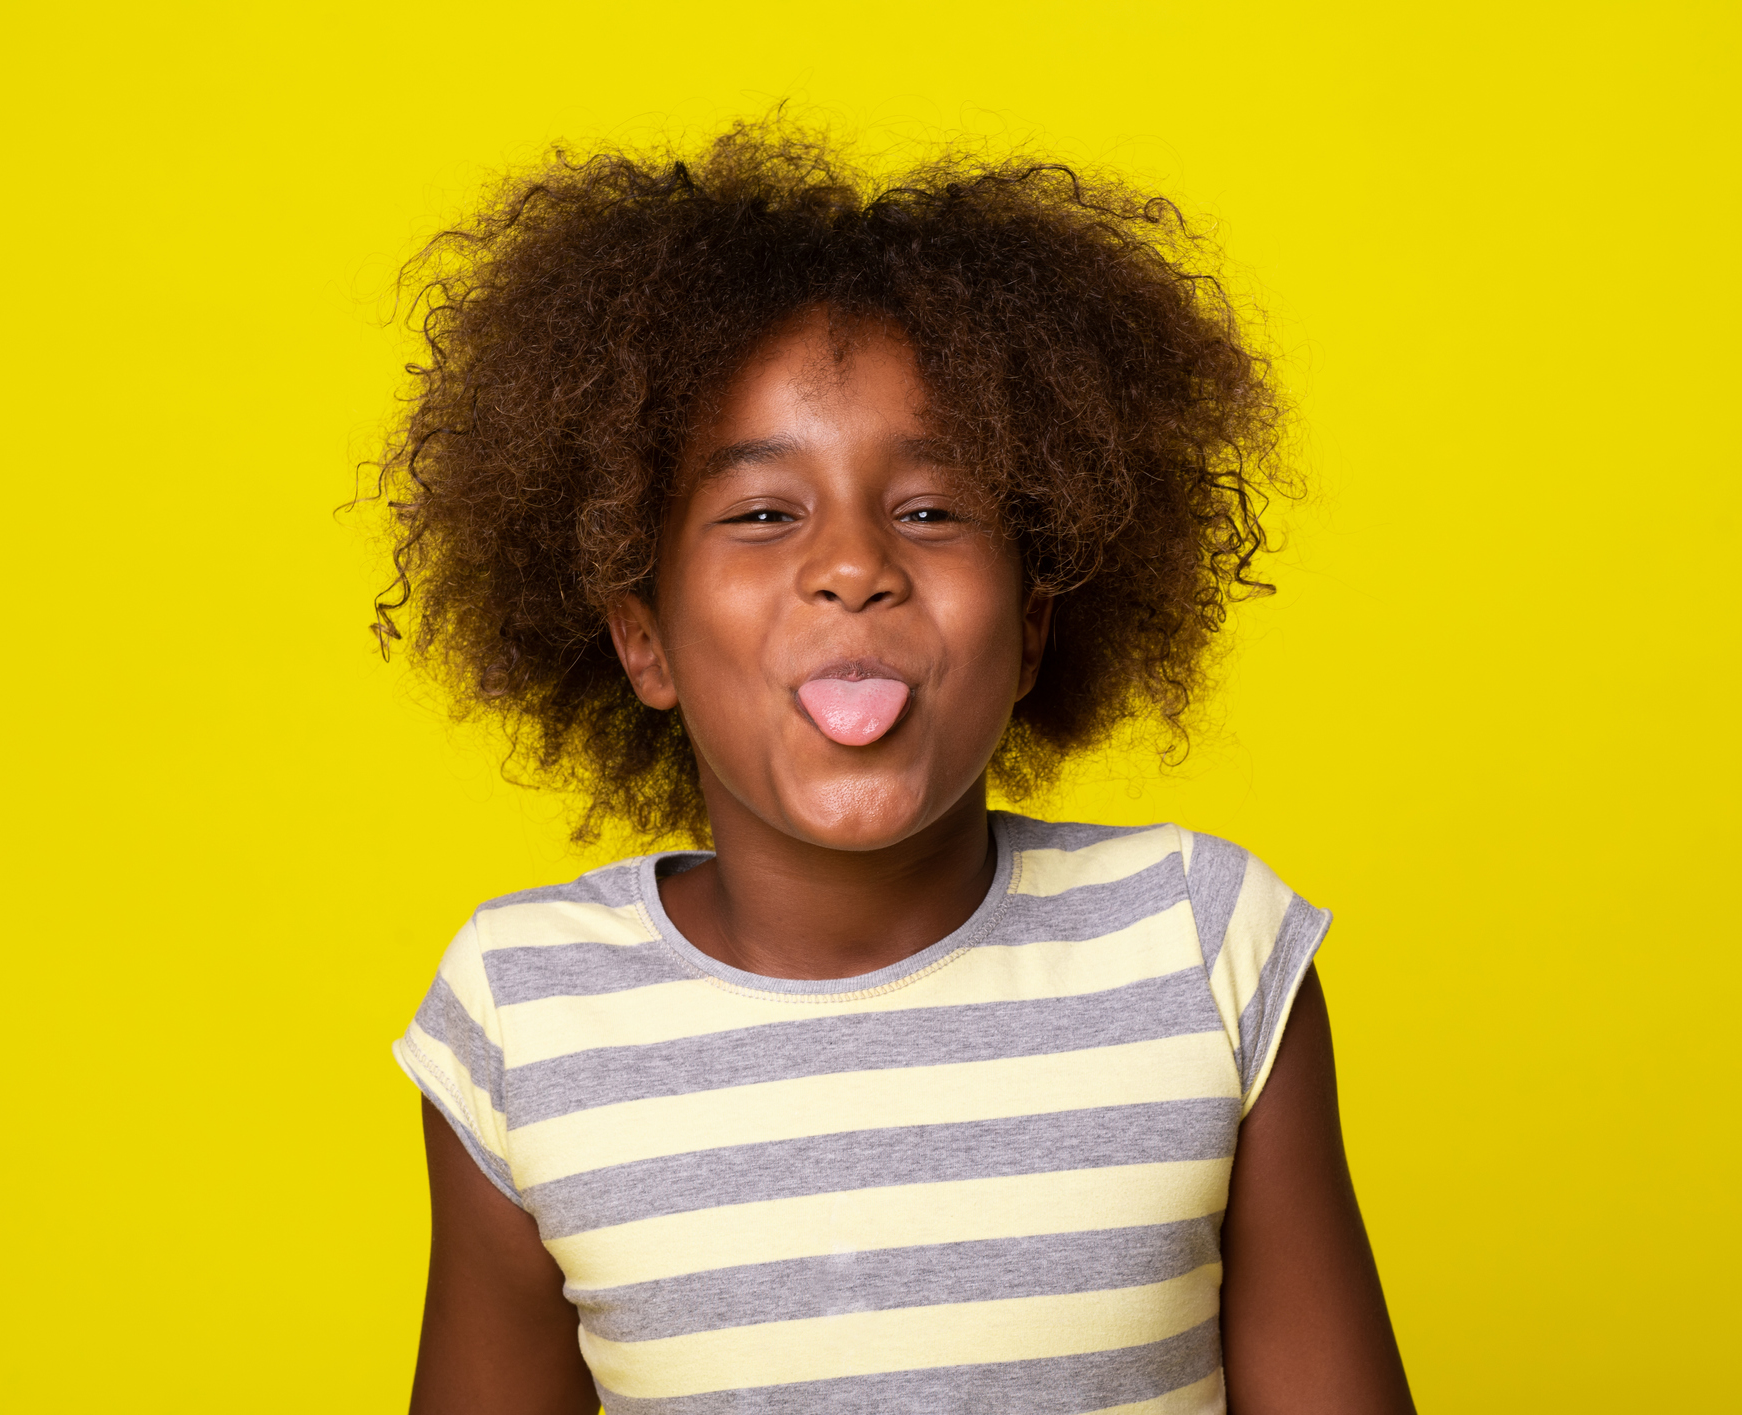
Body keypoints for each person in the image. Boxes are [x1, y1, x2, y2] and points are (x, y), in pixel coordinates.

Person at [375, 123, 1415, 1414]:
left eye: (930, 509)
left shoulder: (1207, 951)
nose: (855, 563)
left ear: (1035, 622)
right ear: (643, 638)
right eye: (764, 513)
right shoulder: (522, 1017)